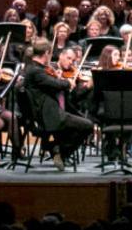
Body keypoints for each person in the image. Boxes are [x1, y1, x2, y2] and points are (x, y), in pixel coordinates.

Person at [23, 38, 93, 171]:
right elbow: (56, 85)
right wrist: (67, 83)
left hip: (50, 113)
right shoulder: (36, 71)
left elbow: (52, 84)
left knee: (80, 124)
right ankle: (58, 149)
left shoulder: (36, 69)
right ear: (47, 53)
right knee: (87, 126)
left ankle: (56, 149)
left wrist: (58, 77)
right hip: (50, 115)